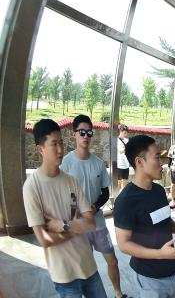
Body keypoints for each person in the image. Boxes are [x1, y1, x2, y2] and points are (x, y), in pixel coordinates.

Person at [22, 119, 107, 298]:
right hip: (64, 276)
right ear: (40, 149)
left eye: (61, 143)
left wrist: (62, 225)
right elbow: (44, 239)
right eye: (54, 144)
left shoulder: (71, 181)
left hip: (89, 267)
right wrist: (77, 226)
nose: (60, 150)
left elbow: (90, 224)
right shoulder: (32, 187)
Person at [114, 135, 175, 298]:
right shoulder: (125, 200)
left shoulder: (159, 191)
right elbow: (124, 244)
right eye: (157, 157)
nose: (162, 163)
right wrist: (161, 254)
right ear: (139, 162)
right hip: (149, 281)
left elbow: (164, 221)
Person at [61, 115, 127, 298]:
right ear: (74, 134)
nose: (86, 136)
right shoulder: (66, 163)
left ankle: (118, 293)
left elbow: (105, 193)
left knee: (112, 260)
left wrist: (95, 206)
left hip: (98, 223)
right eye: (81, 132)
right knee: (85, 268)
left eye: (89, 132)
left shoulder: (98, 164)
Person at [116, 124, 130, 192]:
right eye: (124, 133)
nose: (126, 134)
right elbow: (120, 151)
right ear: (120, 132)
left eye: (126, 133)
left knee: (125, 182)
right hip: (119, 165)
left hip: (126, 164)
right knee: (119, 182)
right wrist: (127, 148)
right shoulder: (117, 141)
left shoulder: (127, 140)